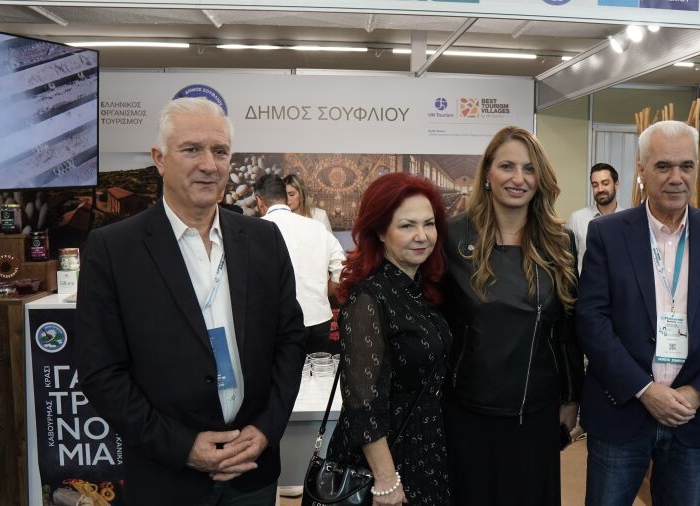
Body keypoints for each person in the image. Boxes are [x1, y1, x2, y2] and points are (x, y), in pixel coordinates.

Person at [75, 97, 306, 505]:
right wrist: (182, 446)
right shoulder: (114, 249)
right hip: (167, 477)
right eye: (191, 149)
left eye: (220, 151)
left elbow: (290, 341)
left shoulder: (264, 240)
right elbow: (101, 372)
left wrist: (266, 429)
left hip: (252, 470)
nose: (209, 164)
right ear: (159, 159)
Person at [576, 120, 700, 506]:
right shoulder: (607, 233)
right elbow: (591, 319)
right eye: (663, 166)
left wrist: (698, 393)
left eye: (686, 166)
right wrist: (644, 390)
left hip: (693, 415)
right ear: (641, 171)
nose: (676, 178)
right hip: (622, 408)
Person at [441, 126, 583, 505]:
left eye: (529, 169)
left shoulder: (559, 242)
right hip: (466, 410)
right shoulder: (451, 237)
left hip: (534, 412)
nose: (518, 178)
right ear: (487, 173)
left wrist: (571, 399)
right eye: (507, 166)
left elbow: (567, 329)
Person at [326, 172, 451, 505]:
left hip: (424, 446)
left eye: (429, 224)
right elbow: (362, 402)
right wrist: (385, 479)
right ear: (380, 231)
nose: (422, 236)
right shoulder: (369, 297)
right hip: (386, 457)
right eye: (407, 225)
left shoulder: (420, 289)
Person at [254, 174, 346, 354]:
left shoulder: (256, 230)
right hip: (319, 317)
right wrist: (325, 291)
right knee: (316, 370)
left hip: (279, 323)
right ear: (284, 196)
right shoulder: (316, 226)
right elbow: (342, 267)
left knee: (282, 371)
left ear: (259, 200)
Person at [567, 162, 624, 272]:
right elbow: (568, 261)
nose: (600, 189)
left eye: (605, 183)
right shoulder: (577, 218)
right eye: (595, 185)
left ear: (616, 184)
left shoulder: (628, 220)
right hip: (585, 282)